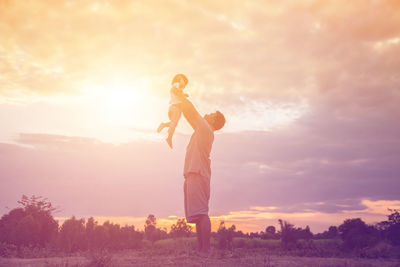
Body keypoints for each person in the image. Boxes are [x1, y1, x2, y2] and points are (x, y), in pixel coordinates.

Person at [177, 93, 226, 254]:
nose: (208, 114)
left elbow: (191, 112)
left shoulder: (205, 129)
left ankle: (205, 250)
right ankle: (201, 250)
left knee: (202, 214)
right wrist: (180, 102)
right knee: (198, 215)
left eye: (212, 114)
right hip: (196, 173)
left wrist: (179, 96)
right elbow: (190, 116)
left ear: (212, 121)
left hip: (197, 173)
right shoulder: (202, 129)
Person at [157, 74, 189, 149]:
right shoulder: (176, 86)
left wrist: (184, 95)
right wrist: (183, 97)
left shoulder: (177, 88)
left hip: (174, 108)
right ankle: (169, 138)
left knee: (173, 123)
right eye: (183, 81)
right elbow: (176, 92)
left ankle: (163, 125)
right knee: (174, 124)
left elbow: (178, 93)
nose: (183, 85)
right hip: (175, 108)